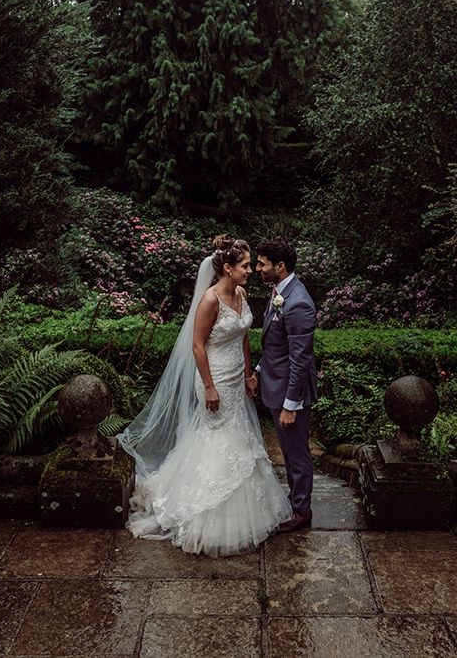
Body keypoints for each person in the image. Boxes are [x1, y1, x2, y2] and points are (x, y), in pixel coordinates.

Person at [118, 235, 291, 557]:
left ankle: (246, 508)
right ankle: (209, 516)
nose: (250, 270)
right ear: (227, 268)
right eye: (244, 266)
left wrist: (248, 375)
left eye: (250, 265)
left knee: (238, 432)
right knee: (218, 436)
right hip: (213, 377)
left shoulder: (240, 293)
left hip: (236, 377)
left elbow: (242, 336)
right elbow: (197, 345)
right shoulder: (210, 300)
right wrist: (210, 386)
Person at [253, 238, 317, 532]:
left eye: (262, 263)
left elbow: (300, 360)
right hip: (274, 384)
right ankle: (296, 502)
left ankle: (301, 511)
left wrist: (291, 404)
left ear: (280, 266)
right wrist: (258, 369)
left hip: (291, 395)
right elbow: (275, 347)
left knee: (297, 454)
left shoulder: (298, 303)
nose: (257, 268)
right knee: (290, 453)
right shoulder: (280, 292)